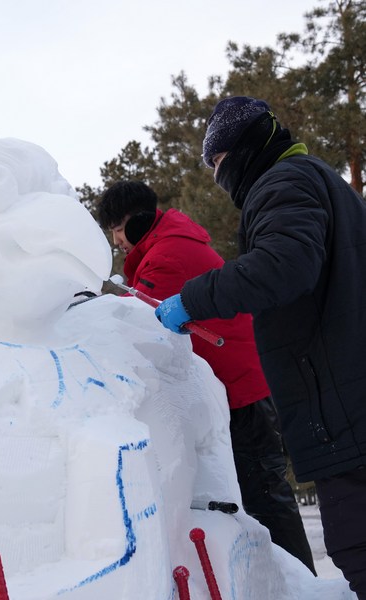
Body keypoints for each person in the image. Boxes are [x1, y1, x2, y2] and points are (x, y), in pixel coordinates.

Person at [155, 96, 366, 595]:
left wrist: (192, 299)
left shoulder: (283, 182)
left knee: (357, 542)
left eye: (220, 164)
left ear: (246, 150)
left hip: (346, 408)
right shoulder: (318, 181)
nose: (217, 179)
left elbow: (283, 265)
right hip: (348, 396)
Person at [97, 180, 315, 574]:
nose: (118, 243)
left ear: (136, 221)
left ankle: (300, 584)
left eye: (117, 231)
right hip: (239, 384)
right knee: (262, 494)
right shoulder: (172, 242)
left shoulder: (167, 256)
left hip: (239, 390)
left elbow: (135, 320)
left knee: (265, 496)